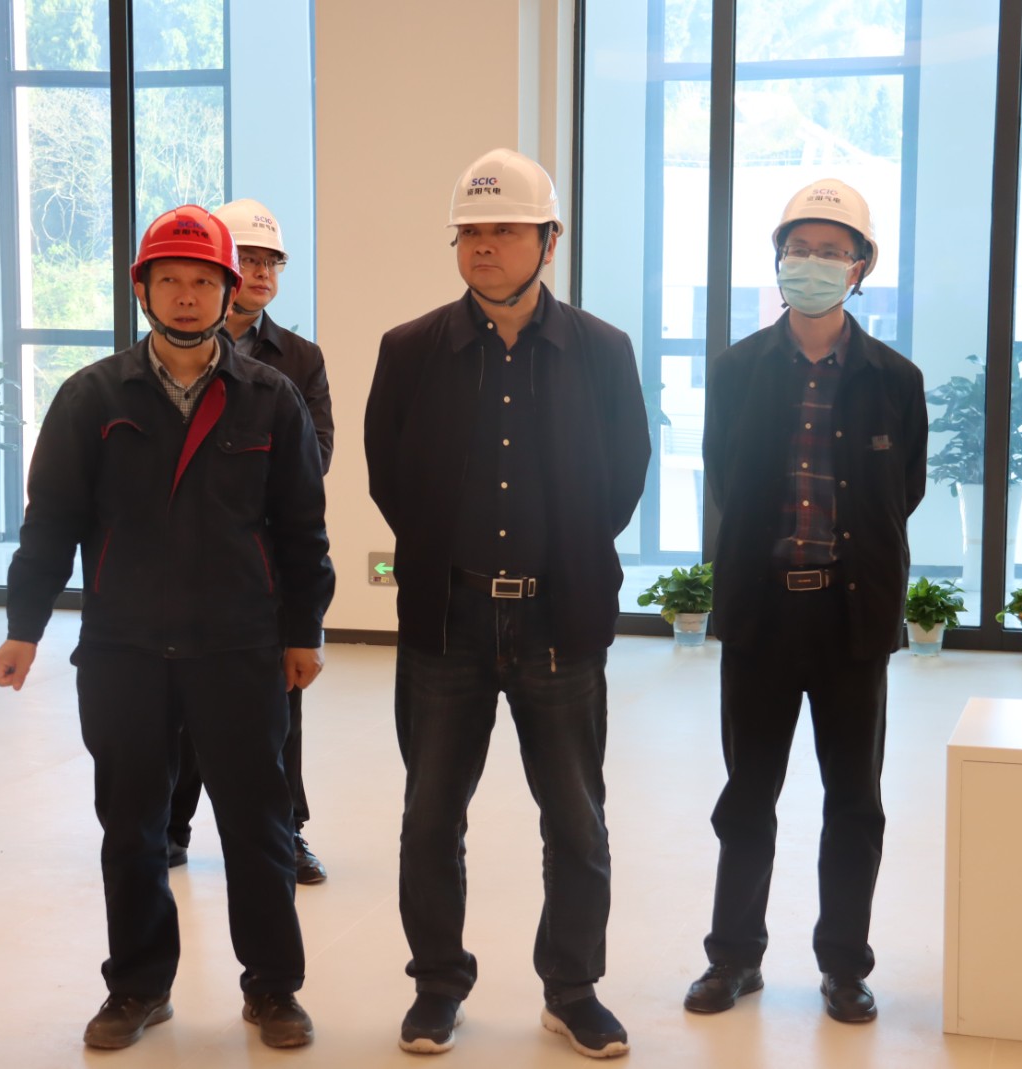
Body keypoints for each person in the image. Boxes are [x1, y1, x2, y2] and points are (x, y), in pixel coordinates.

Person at [0, 204, 335, 1052]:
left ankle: (273, 988)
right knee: (133, 826)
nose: (186, 296)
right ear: (142, 289)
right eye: (170, 279)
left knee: (258, 825)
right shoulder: (93, 396)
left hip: (239, 646)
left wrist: (304, 630)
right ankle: (138, 986)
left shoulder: (271, 398)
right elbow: (51, 519)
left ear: (228, 291)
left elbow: (302, 528)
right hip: (125, 648)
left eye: (203, 281)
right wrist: (24, 625)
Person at [364, 148, 650, 1059]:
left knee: (576, 819)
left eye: (505, 230)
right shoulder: (410, 350)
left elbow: (625, 473)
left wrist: (565, 556)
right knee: (429, 817)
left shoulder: (602, 350)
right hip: (446, 621)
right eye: (471, 232)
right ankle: (437, 985)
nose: (483, 246)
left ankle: (573, 988)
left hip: (559, 621)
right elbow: (387, 474)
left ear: (549, 240)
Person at [684, 178, 927, 1025]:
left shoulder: (895, 378)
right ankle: (733, 957)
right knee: (747, 795)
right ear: (778, 259)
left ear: (860, 268)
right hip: (762, 613)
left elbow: (902, 490)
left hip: (851, 617)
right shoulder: (736, 370)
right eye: (800, 248)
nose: (812, 263)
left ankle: (844, 966)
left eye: (832, 251)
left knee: (853, 800)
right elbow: (725, 478)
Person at [166, 198, 335, 886]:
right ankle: (170, 828)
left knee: (277, 709)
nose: (262, 272)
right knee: (178, 702)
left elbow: (315, 455)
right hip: (179, 561)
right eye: (250, 259)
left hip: (263, 563)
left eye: (273, 262)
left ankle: (285, 831)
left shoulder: (299, 357)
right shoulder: (168, 345)